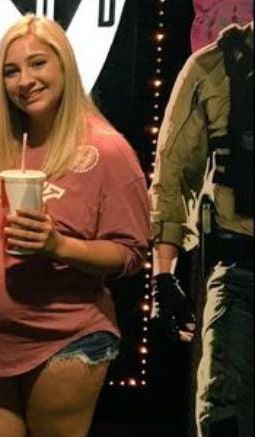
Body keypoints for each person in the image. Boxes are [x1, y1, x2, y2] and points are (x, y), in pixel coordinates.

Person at [0, 14, 151, 437]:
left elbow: (132, 254)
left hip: (63, 339)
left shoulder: (106, 150)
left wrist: (58, 246)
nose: (24, 80)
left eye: (37, 64)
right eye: (11, 71)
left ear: (64, 64)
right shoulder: (8, 143)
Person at [150, 21, 253, 437]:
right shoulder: (214, 67)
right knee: (222, 414)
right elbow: (173, 174)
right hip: (241, 269)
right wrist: (162, 274)